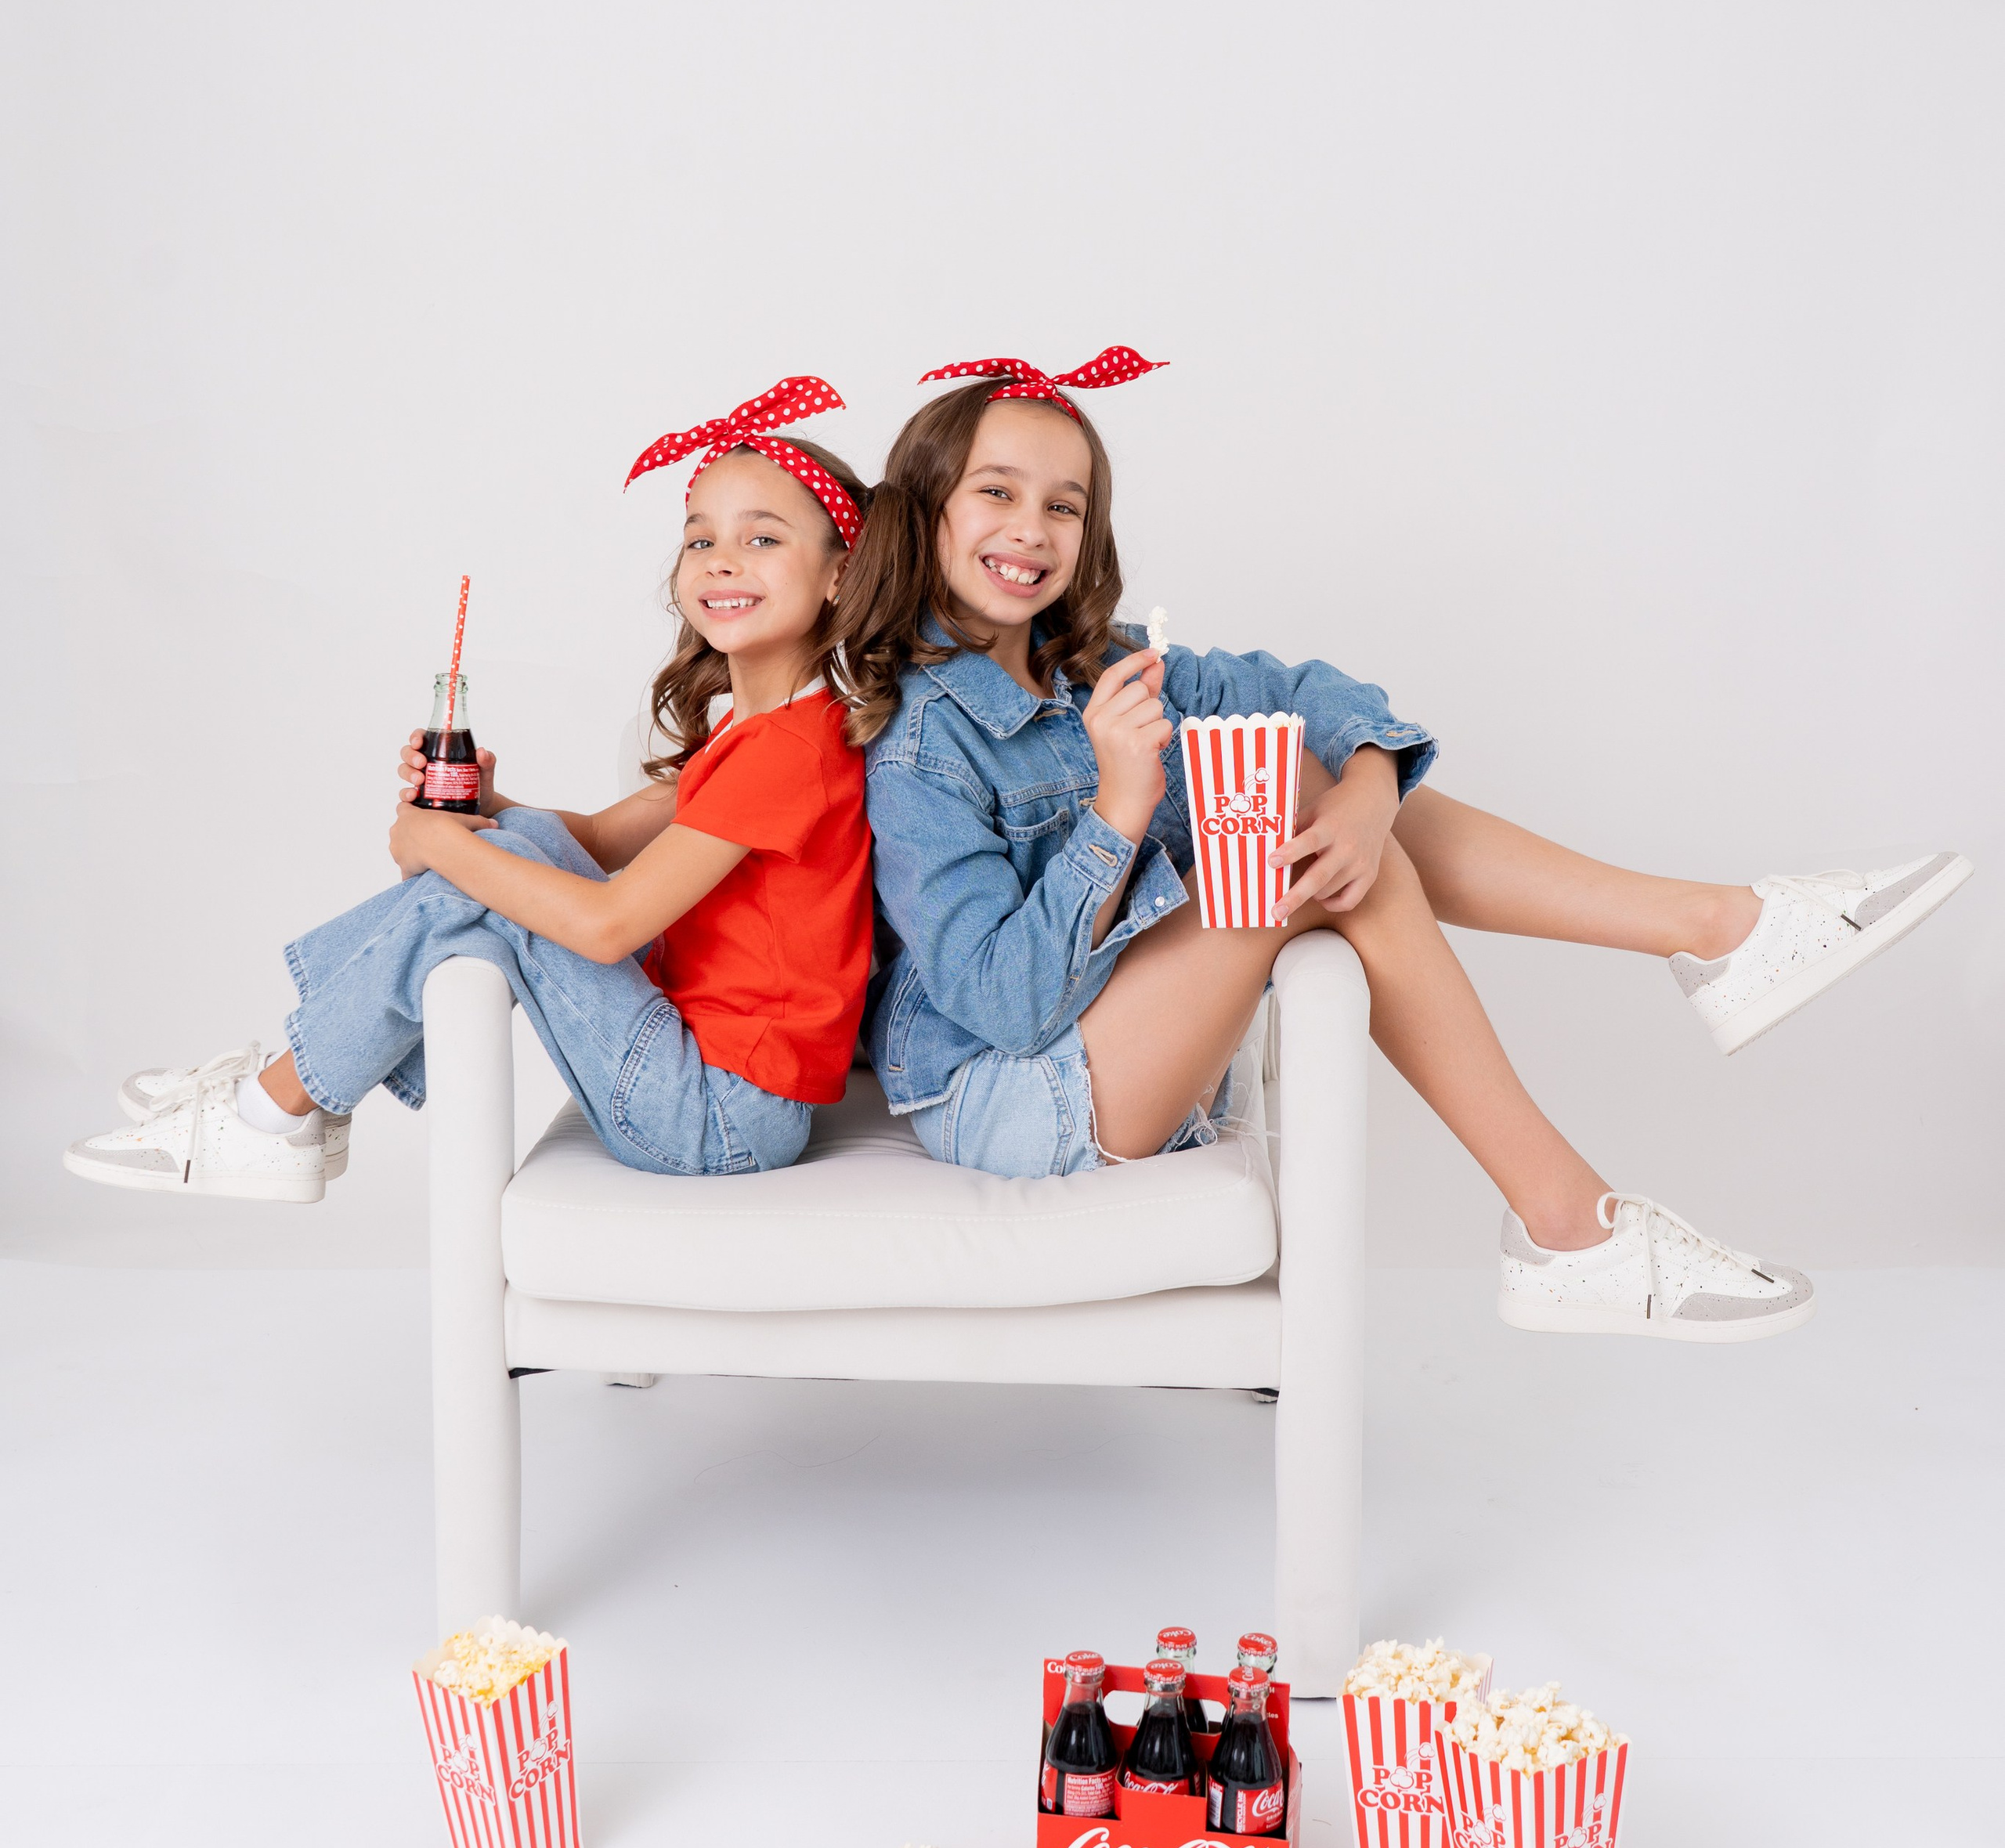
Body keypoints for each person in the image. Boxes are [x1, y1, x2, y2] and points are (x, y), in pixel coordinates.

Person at [835, 354, 1971, 1339]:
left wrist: (1374, 789)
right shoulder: (921, 743)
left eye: (1065, 505)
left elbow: (1306, 691)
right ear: (928, 509)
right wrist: (1119, 811)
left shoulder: (1107, 665)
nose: (1032, 529)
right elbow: (1002, 1005)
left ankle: (1719, 939)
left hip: (1123, 1054)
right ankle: (1579, 1204)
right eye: (997, 492)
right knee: (1292, 827)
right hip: (1014, 1101)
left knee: (1324, 796)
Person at [65, 381, 878, 1204]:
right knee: (501, 868)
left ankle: (275, 1104)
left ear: (840, 576)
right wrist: (490, 804)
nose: (722, 561)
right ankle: (298, 1088)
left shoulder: (788, 753)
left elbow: (608, 926)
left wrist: (446, 844)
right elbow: (595, 840)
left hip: (715, 1119)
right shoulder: (753, 732)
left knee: (484, 882)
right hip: (704, 1085)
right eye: (699, 540)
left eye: (763, 539)